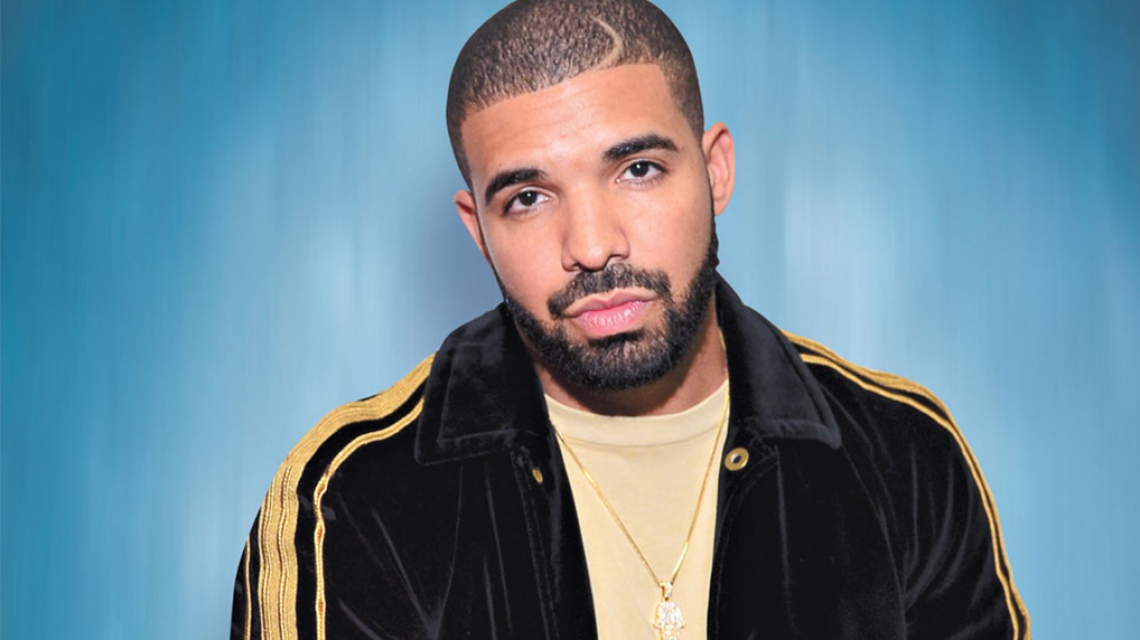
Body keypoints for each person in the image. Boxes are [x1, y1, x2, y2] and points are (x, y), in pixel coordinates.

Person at [231, 1, 1029, 638]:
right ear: (479, 231)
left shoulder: (903, 454)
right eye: (529, 198)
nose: (591, 245)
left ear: (715, 172)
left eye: (638, 169)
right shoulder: (352, 497)